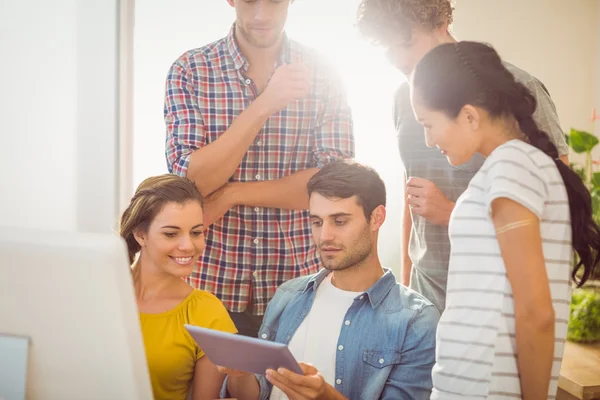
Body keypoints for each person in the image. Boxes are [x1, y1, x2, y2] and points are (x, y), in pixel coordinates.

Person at [410, 41, 600, 399]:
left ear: (469, 115)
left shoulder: (513, 166)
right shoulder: (504, 169)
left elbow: (535, 311)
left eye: (429, 123)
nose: (428, 139)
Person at [356, 0, 570, 312]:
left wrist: (451, 212)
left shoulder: (517, 88)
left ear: (442, 23)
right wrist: (405, 283)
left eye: (407, 42)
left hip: (497, 290)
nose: (399, 58)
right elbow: (412, 192)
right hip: (425, 291)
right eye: (387, 46)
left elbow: (557, 201)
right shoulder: (405, 99)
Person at [164, 0, 355, 337]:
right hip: (209, 283)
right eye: (251, 0)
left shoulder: (323, 73)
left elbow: (334, 185)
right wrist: (266, 103)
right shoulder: (190, 70)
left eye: (275, 1)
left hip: (299, 287)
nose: (262, 15)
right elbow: (189, 181)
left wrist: (234, 194)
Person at [219, 161, 439, 400]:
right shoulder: (288, 296)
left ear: (376, 218)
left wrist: (325, 396)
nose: (325, 236)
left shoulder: (415, 321)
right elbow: (259, 393)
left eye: (340, 221)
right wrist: (238, 374)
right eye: (317, 222)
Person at [119, 174, 238, 400]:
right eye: (171, 234)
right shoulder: (101, 295)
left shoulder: (206, 313)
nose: (188, 246)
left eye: (195, 232)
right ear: (140, 235)